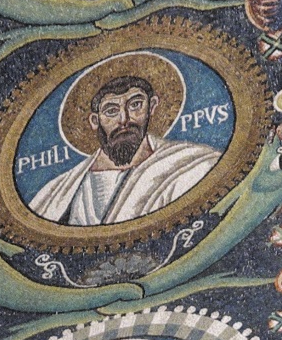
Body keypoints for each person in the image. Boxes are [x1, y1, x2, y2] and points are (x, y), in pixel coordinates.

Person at [29, 68, 221, 228]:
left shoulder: (190, 164)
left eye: (135, 105)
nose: (124, 119)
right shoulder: (56, 193)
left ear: (152, 107)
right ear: (95, 121)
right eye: (111, 110)